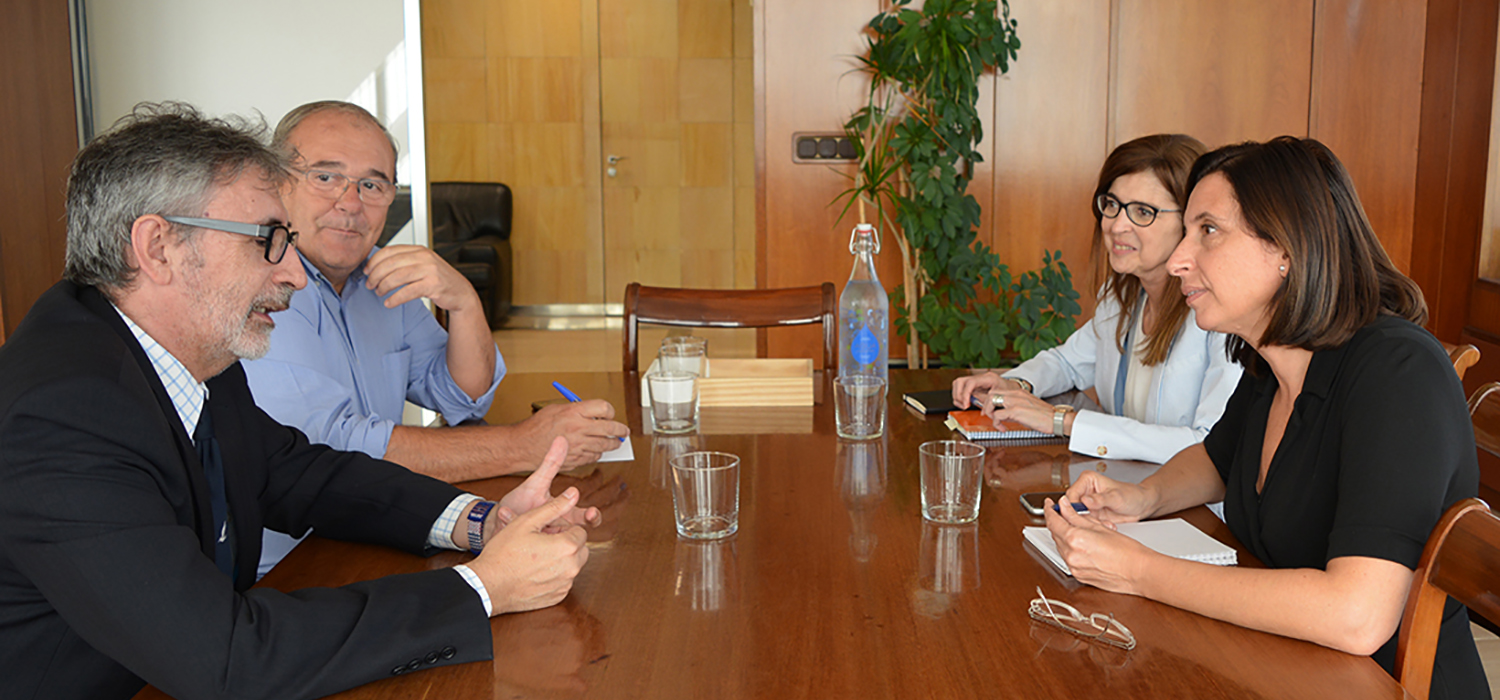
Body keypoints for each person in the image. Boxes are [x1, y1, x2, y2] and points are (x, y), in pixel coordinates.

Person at [0, 103, 598, 700]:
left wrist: (481, 521)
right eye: (268, 240)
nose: (294, 272)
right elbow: (229, 659)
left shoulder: (191, 349)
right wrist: (483, 589)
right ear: (159, 248)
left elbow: (297, 473)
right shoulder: (59, 415)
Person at [1045, 137, 1486, 699]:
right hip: (1280, 665)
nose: (1179, 259)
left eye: (1208, 230)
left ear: (1287, 248)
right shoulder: (1269, 363)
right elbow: (1217, 460)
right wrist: (1142, 498)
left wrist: (1139, 571)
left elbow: (1356, 615)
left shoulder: (1398, 372)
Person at [241, 101, 627, 576]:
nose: (351, 202)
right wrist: (523, 445)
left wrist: (463, 300)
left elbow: (460, 396)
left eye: (372, 184)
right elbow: (334, 450)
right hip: (284, 567)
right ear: (277, 183)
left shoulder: (380, 277)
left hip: (377, 533)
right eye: (326, 177)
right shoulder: (258, 287)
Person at [952, 134, 1242, 463]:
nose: (1117, 226)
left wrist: (1062, 421)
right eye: (1113, 205)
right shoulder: (1122, 296)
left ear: (1190, 222)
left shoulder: (1222, 320)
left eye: (1143, 211)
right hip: (1123, 482)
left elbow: (1207, 445)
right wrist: (1017, 384)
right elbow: (1067, 363)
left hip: (1185, 495)